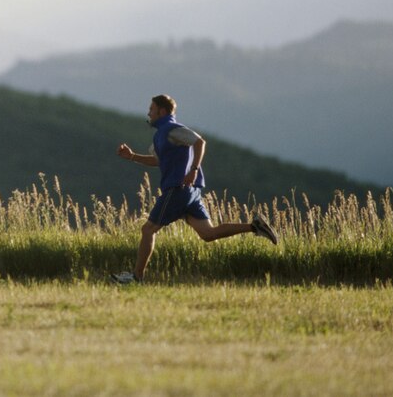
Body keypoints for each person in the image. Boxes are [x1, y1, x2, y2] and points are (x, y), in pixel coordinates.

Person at [110, 94, 278, 285]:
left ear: (162, 111)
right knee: (208, 234)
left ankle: (136, 277)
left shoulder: (172, 129)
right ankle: (255, 226)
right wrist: (132, 156)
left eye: (151, 109)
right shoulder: (160, 136)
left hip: (178, 188)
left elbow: (199, 142)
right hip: (190, 191)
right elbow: (158, 161)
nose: (148, 112)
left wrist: (194, 169)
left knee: (148, 229)